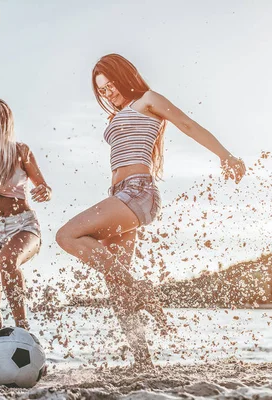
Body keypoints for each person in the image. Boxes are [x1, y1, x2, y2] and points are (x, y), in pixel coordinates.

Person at [55, 54, 246, 368]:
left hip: (138, 191)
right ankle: (143, 362)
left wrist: (225, 156)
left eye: (110, 85)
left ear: (123, 75)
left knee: (66, 235)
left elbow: (187, 124)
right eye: (101, 91)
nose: (108, 93)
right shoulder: (115, 116)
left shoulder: (148, 100)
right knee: (116, 287)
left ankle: (141, 289)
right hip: (120, 195)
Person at [0, 98, 51, 339]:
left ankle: (24, 333)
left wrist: (44, 191)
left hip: (22, 225)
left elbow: (44, 186)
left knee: (7, 260)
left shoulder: (21, 151)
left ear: (6, 126)